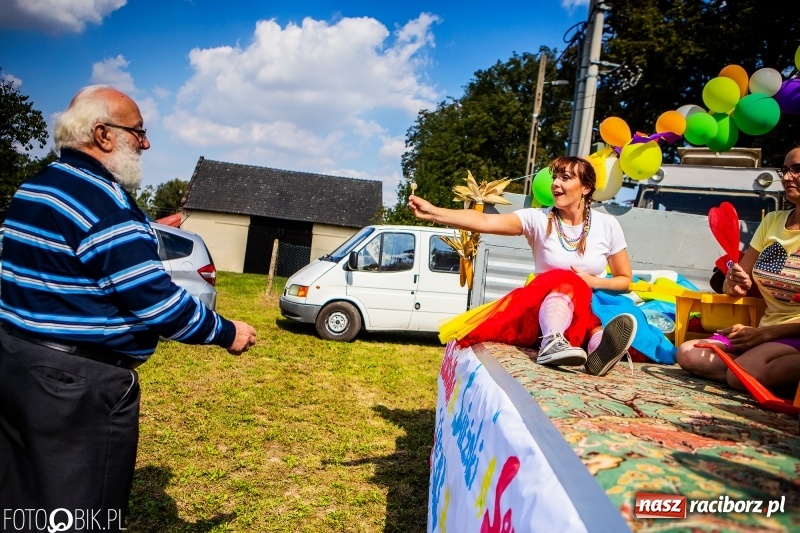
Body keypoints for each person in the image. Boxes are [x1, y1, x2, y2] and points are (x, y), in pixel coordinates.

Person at [0, 85, 257, 530]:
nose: (146, 142)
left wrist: (140, 233)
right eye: (138, 131)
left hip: (17, 365)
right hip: (74, 389)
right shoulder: (102, 202)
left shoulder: (38, 187)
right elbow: (155, 302)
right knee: (82, 512)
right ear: (102, 135)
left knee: (23, 501)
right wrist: (226, 331)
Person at [408, 155, 637, 376]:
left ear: (585, 188)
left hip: (591, 308)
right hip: (542, 312)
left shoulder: (608, 225)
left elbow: (625, 280)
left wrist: (593, 281)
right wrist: (434, 213)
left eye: (565, 178)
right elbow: (484, 221)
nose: (555, 183)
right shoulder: (536, 218)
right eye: (555, 177)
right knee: (566, 280)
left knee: (590, 308)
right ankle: (553, 341)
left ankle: (600, 351)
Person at [676, 146, 800, 398]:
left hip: (788, 335)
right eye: (784, 170)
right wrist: (733, 283)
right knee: (689, 352)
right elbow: (736, 283)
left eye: (797, 170)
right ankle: (760, 374)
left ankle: (753, 371)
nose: (786, 177)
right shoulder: (772, 221)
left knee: (739, 374)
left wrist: (766, 333)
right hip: (764, 334)